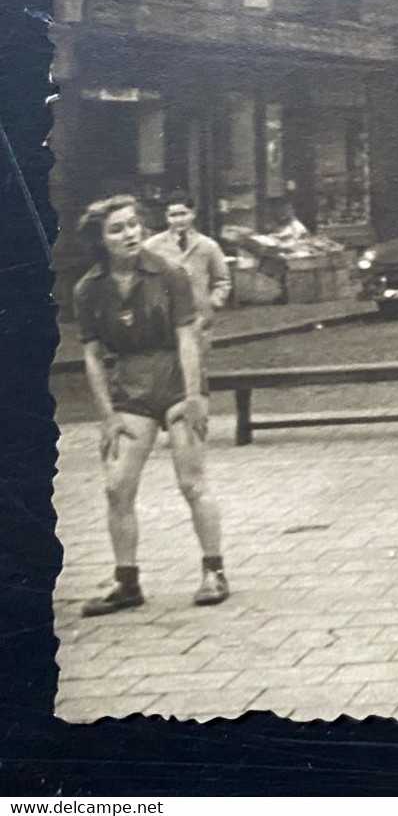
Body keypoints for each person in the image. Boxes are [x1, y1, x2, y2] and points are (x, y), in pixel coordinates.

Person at [71, 195, 228, 616]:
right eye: (117, 229)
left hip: (178, 384)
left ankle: (214, 571)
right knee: (116, 486)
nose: (129, 234)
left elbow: (186, 338)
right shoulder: (89, 289)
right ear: (101, 240)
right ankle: (127, 582)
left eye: (133, 225)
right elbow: (91, 355)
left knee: (191, 482)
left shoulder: (170, 275)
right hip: (131, 393)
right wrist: (106, 415)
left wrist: (194, 397)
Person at [143, 190, 233, 387]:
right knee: (165, 372)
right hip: (164, 320)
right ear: (166, 218)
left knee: (195, 372)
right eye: (173, 215)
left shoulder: (208, 246)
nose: (179, 220)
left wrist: (212, 304)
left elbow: (222, 281)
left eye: (183, 213)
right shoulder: (151, 247)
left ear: (193, 214)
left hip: (198, 319)